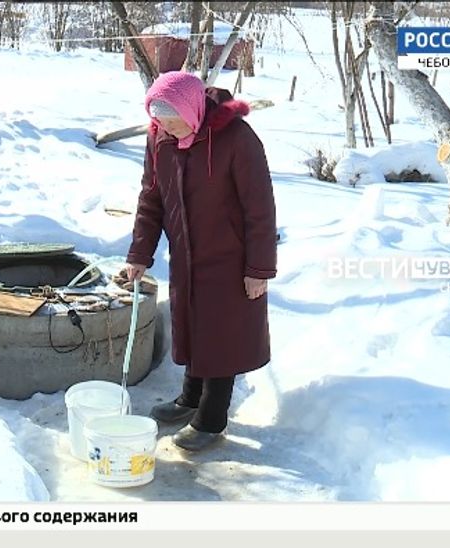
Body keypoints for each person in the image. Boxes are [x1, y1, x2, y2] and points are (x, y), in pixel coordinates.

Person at [125, 71, 277, 452]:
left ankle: (211, 419)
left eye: (174, 123)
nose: (167, 131)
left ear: (192, 111)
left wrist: (258, 269)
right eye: (161, 123)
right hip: (186, 251)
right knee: (194, 326)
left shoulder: (237, 139)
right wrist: (140, 254)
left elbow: (260, 208)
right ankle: (190, 399)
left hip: (231, 255)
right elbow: (151, 198)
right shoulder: (159, 138)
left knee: (220, 334)